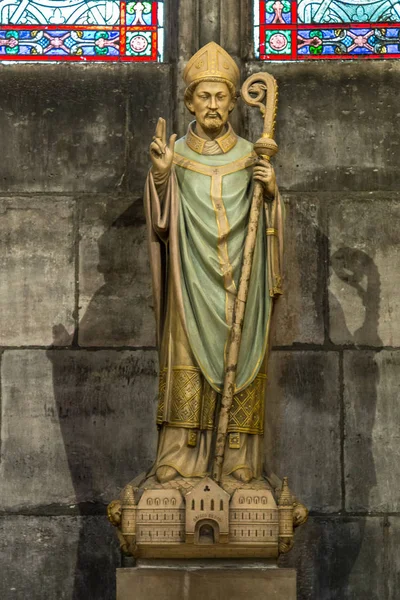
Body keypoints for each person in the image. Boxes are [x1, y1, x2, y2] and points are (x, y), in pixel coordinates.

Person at [144, 42, 284, 485]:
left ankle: (239, 457)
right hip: (190, 277)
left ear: (232, 103)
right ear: (189, 101)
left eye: (221, 96)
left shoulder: (251, 154)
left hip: (241, 277)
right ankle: (179, 455)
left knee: (241, 355)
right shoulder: (176, 154)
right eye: (203, 96)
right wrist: (164, 176)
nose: (212, 105)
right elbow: (162, 225)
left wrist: (271, 190)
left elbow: (270, 221)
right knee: (185, 351)